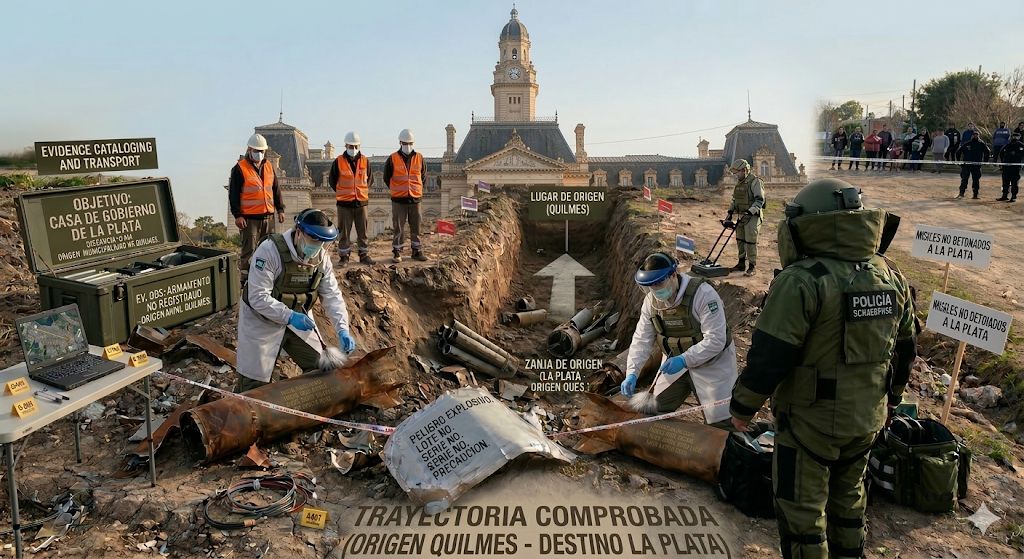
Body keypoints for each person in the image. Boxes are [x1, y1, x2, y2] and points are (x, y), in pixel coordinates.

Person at [729, 178, 918, 559]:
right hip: (867, 418)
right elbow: (906, 350)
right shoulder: (889, 274)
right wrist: (893, 399)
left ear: (809, 225)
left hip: (809, 424)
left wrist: (741, 409)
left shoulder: (802, 281)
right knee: (849, 500)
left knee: (802, 510)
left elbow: (769, 357)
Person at [235, 209, 357, 392]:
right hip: (262, 322)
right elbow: (257, 297)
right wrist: (290, 316)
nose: (318, 245)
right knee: (254, 385)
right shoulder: (269, 251)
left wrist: (342, 329)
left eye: (322, 241)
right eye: (314, 239)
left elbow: (332, 295)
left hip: (299, 321)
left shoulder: (321, 258)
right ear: (299, 232)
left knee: (322, 368)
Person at [619, 252, 737, 427]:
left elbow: (716, 340)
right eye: (650, 286)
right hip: (674, 366)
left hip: (711, 365)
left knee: (721, 424)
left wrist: (684, 359)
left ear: (673, 275)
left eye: (659, 283)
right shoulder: (651, 302)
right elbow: (641, 339)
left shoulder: (703, 295)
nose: (655, 290)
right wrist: (632, 373)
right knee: (653, 410)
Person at [229, 133, 285, 280]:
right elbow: (233, 194)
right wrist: (238, 215)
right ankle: (246, 281)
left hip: (268, 217)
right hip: (249, 218)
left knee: (268, 249)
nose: (260, 153)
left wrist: (280, 209)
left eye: (262, 151)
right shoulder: (239, 168)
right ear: (249, 149)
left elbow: (276, 189)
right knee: (249, 251)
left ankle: (264, 278)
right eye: (257, 150)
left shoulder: (269, 166)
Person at [330, 131, 375, 266]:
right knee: (344, 232)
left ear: (359, 146)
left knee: (363, 232)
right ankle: (344, 257)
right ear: (346, 145)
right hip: (344, 204)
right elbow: (332, 181)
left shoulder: (365, 161)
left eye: (356, 146)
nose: (353, 149)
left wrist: (361, 191)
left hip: (361, 202)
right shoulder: (338, 161)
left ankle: (364, 255)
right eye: (351, 146)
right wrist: (344, 193)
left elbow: (370, 179)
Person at [385, 129, 428, 263]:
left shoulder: (419, 158)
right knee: (398, 226)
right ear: (400, 142)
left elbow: (423, 176)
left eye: (410, 143)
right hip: (399, 199)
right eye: (405, 143)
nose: (407, 145)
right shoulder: (392, 158)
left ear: (413, 143)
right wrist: (397, 190)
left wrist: (416, 189)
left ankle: (417, 251)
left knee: (416, 226)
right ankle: (397, 252)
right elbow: (387, 177)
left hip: (415, 198)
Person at [726, 159, 765, 276]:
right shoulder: (739, 183)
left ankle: (752, 266)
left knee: (750, 241)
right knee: (740, 240)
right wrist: (729, 213)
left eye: (737, 172)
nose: (736, 175)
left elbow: (759, 200)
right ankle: (741, 264)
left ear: (744, 170)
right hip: (741, 215)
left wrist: (750, 212)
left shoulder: (755, 182)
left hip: (752, 216)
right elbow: (735, 200)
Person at [956, 133, 991, 199]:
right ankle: (961, 193)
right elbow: (958, 152)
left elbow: (987, 151)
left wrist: (985, 161)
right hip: (967, 165)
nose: (975, 136)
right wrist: (959, 162)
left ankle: (975, 195)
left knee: (976, 180)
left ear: (978, 136)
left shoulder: (981, 144)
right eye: (974, 135)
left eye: (976, 135)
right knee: (964, 179)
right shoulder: (967, 144)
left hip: (976, 165)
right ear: (972, 136)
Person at [997, 132, 1023, 202]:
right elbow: (1001, 153)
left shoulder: (1021, 145)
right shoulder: (1007, 145)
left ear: (1019, 137)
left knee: (1014, 182)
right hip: (1006, 167)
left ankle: (1013, 196)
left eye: (1016, 136)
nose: (1014, 138)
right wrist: (1002, 163)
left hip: (1015, 167)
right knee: (1005, 182)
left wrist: (1021, 163)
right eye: (1013, 136)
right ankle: (1004, 195)